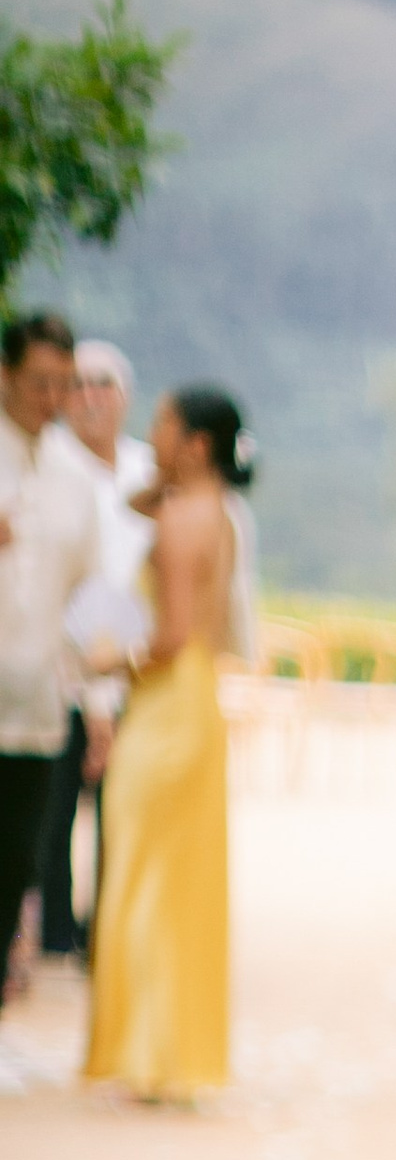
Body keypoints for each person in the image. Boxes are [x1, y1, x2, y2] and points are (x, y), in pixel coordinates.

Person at [82, 386, 250, 1103]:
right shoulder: (223, 515)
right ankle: (168, 1049)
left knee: (143, 878)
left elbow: (171, 634)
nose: (150, 435)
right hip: (197, 702)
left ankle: (148, 1053)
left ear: (197, 443)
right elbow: (134, 507)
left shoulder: (182, 520)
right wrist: (160, 484)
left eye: (162, 425)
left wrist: (110, 661)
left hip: (166, 702)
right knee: (178, 881)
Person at [0, 312, 99, 1061]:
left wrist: (98, 702)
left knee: (16, 866)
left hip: (37, 712)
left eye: (64, 384)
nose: (54, 398)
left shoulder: (75, 480)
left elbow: (88, 604)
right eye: (40, 382)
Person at [40, 340, 153, 959]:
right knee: (53, 815)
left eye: (103, 383)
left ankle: (109, 927)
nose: (90, 396)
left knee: (124, 810)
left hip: (139, 668)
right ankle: (51, 929)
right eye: (77, 384)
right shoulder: (51, 468)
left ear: (125, 396)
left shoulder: (150, 472)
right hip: (64, 668)